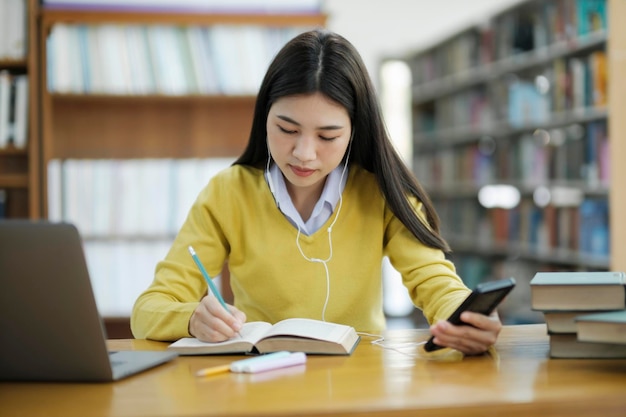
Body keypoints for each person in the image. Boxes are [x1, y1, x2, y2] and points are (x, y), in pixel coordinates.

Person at [131, 29, 502, 355]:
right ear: (264, 118)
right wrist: (192, 319)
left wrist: (468, 316)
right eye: (287, 129)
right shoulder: (228, 193)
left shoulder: (381, 192)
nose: (304, 154)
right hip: (259, 384)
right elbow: (149, 309)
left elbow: (435, 282)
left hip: (359, 386)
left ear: (355, 131)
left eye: (327, 136)